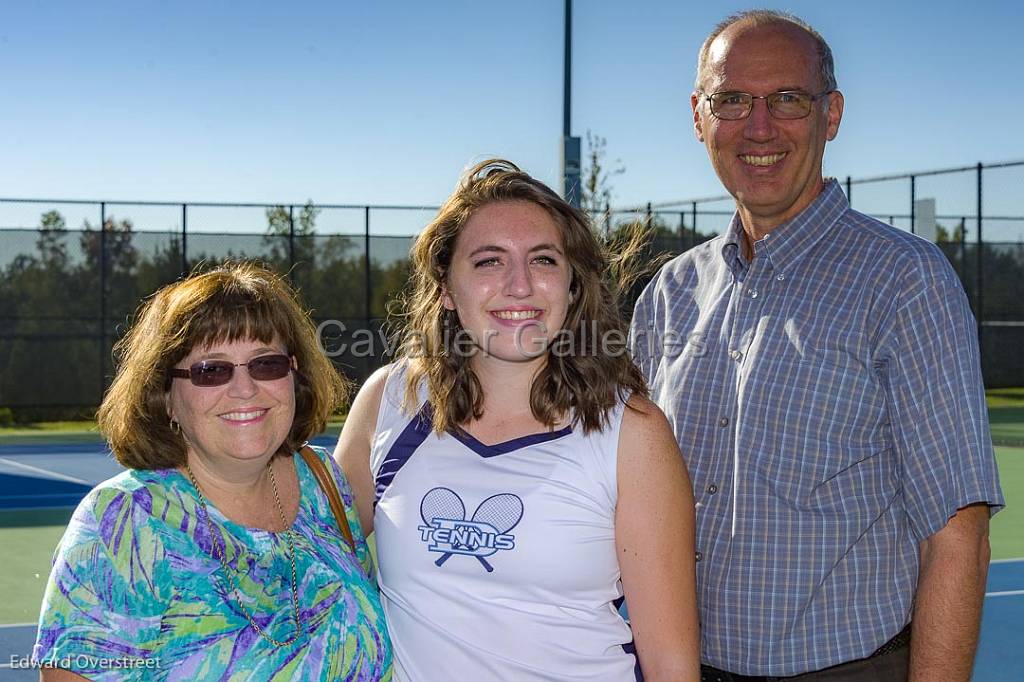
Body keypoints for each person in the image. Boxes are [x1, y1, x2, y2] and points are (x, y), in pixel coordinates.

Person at [630, 10, 1005, 681]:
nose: (760, 126)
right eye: (733, 100)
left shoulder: (904, 281)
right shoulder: (667, 292)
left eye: (788, 100)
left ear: (830, 114)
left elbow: (957, 539)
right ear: (698, 116)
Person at [335, 159, 700, 681]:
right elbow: (309, 559)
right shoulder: (392, 399)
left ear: (573, 285)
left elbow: (671, 667)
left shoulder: (632, 432)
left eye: (544, 260)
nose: (520, 286)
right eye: (489, 262)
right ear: (445, 288)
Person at [33, 262, 392, 680]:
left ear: (294, 374)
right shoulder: (123, 524)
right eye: (211, 370)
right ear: (165, 397)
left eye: (266, 364)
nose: (244, 388)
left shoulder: (323, 482)